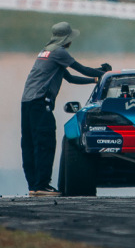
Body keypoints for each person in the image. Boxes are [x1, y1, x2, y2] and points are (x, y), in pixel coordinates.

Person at [20, 22, 109, 196]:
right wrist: (103, 73)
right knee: (45, 143)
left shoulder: (45, 52)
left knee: (29, 144)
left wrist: (95, 79)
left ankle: (34, 186)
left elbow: (70, 78)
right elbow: (82, 69)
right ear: (66, 39)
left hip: (27, 103)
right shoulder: (60, 52)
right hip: (40, 103)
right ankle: (42, 186)